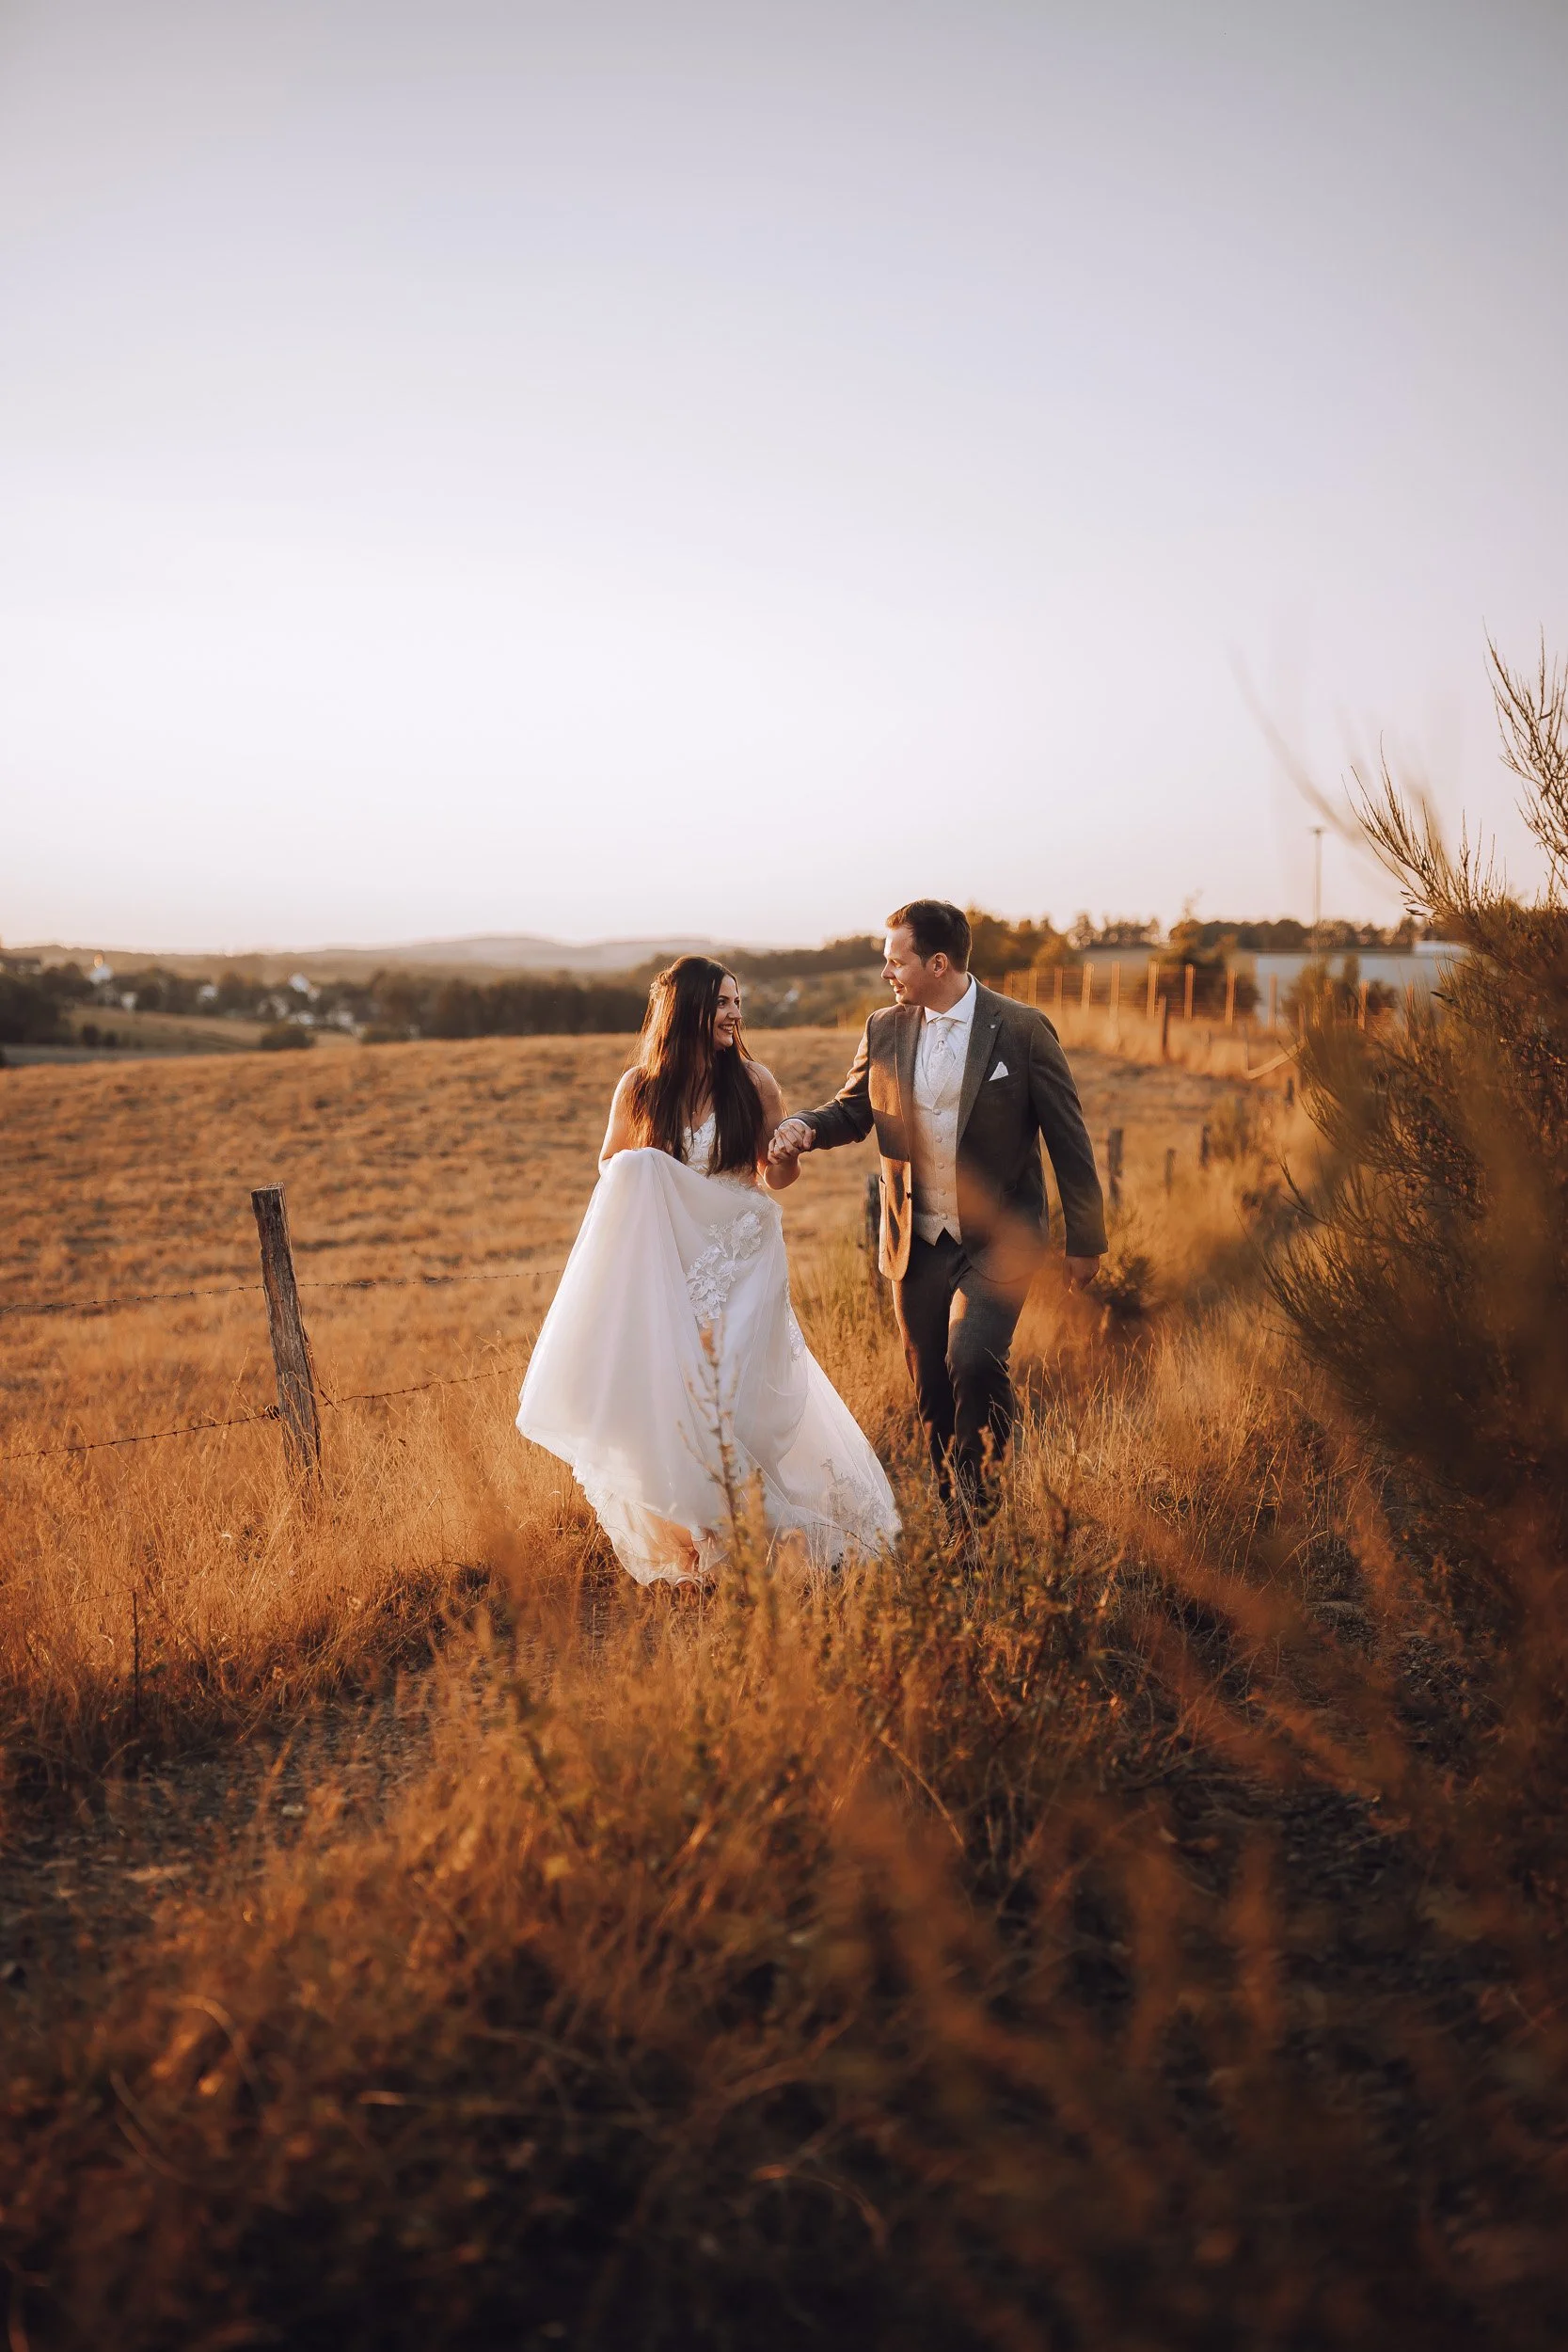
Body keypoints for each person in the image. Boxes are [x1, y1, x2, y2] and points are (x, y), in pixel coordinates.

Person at [516, 956, 898, 1584]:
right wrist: (650, 1174)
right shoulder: (640, 1087)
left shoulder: (753, 1082)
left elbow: (775, 1176)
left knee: (733, 1398)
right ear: (686, 1009)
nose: (734, 1014)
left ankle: (757, 1530)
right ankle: (709, 1538)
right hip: (672, 1261)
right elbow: (613, 1169)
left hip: (740, 1254)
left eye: (737, 1003)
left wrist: (786, 1152)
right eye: (722, 1002)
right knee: (676, 1393)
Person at [768, 900, 1105, 1516]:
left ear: (938, 962)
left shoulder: (1022, 1028)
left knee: (972, 1359)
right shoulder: (885, 1028)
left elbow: (1068, 1135)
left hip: (1000, 1238)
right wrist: (802, 1128)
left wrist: (1085, 1238)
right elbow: (852, 1109)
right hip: (913, 1242)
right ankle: (955, 1512)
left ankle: (984, 1501)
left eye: (895, 960)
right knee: (930, 1389)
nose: (885, 973)